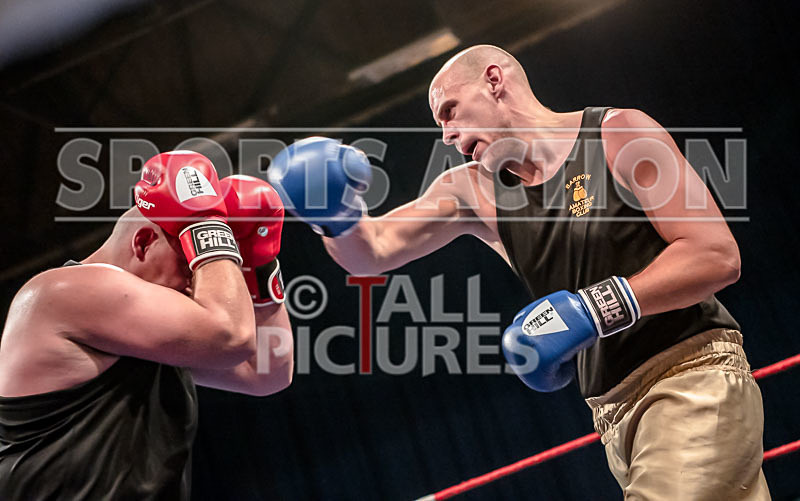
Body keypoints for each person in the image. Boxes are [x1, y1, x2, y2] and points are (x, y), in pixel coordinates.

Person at [268, 46, 770, 499]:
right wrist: (332, 214)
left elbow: (714, 254)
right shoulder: (473, 191)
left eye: (450, 111)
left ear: (493, 80)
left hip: (691, 379)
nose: (447, 135)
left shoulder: (618, 133)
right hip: (613, 416)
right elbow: (372, 251)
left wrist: (591, 309)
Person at [0, 151, 292, 500]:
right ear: (142, 243)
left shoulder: (147, 333)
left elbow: (267, 371)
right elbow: (231, 336)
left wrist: (260, 264)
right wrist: (207, 225)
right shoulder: (63, 293)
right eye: (191, 268)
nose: (195, 287)